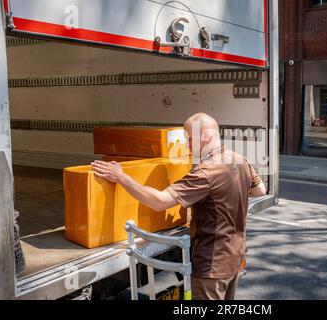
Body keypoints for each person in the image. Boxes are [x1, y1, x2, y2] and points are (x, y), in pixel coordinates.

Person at [91, 113, 266, 300]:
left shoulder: (206, 171)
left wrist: (121, 177)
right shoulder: (239, 159)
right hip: (234, 259)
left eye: (190, 139)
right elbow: (260, 191)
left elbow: (159, 202)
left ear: (206, 134)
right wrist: (225, 194)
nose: (188, 146)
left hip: (211, 267)